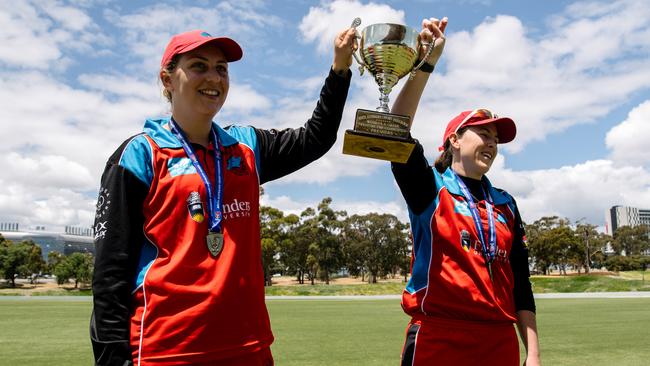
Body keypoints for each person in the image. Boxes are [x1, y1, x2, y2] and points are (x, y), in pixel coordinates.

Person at [90, 28, 356, 366]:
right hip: (168, 350)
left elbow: (316, 137)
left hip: (248, 347)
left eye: (221, 68)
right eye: (199, 66)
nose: (213, 77)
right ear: (167, 79)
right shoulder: (141, 154)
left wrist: (340, 67)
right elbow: (110, 274)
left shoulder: (245, 146)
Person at [390, 17, 541, 366]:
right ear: (454, 140)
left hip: (500, 341)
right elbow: (393, 132)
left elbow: (521, 283)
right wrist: (427, 63)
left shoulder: (506, 203)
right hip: (439, 338)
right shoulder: (429, 188)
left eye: (496, 138)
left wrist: (532, 353)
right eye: (482, 133)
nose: (492, 142)